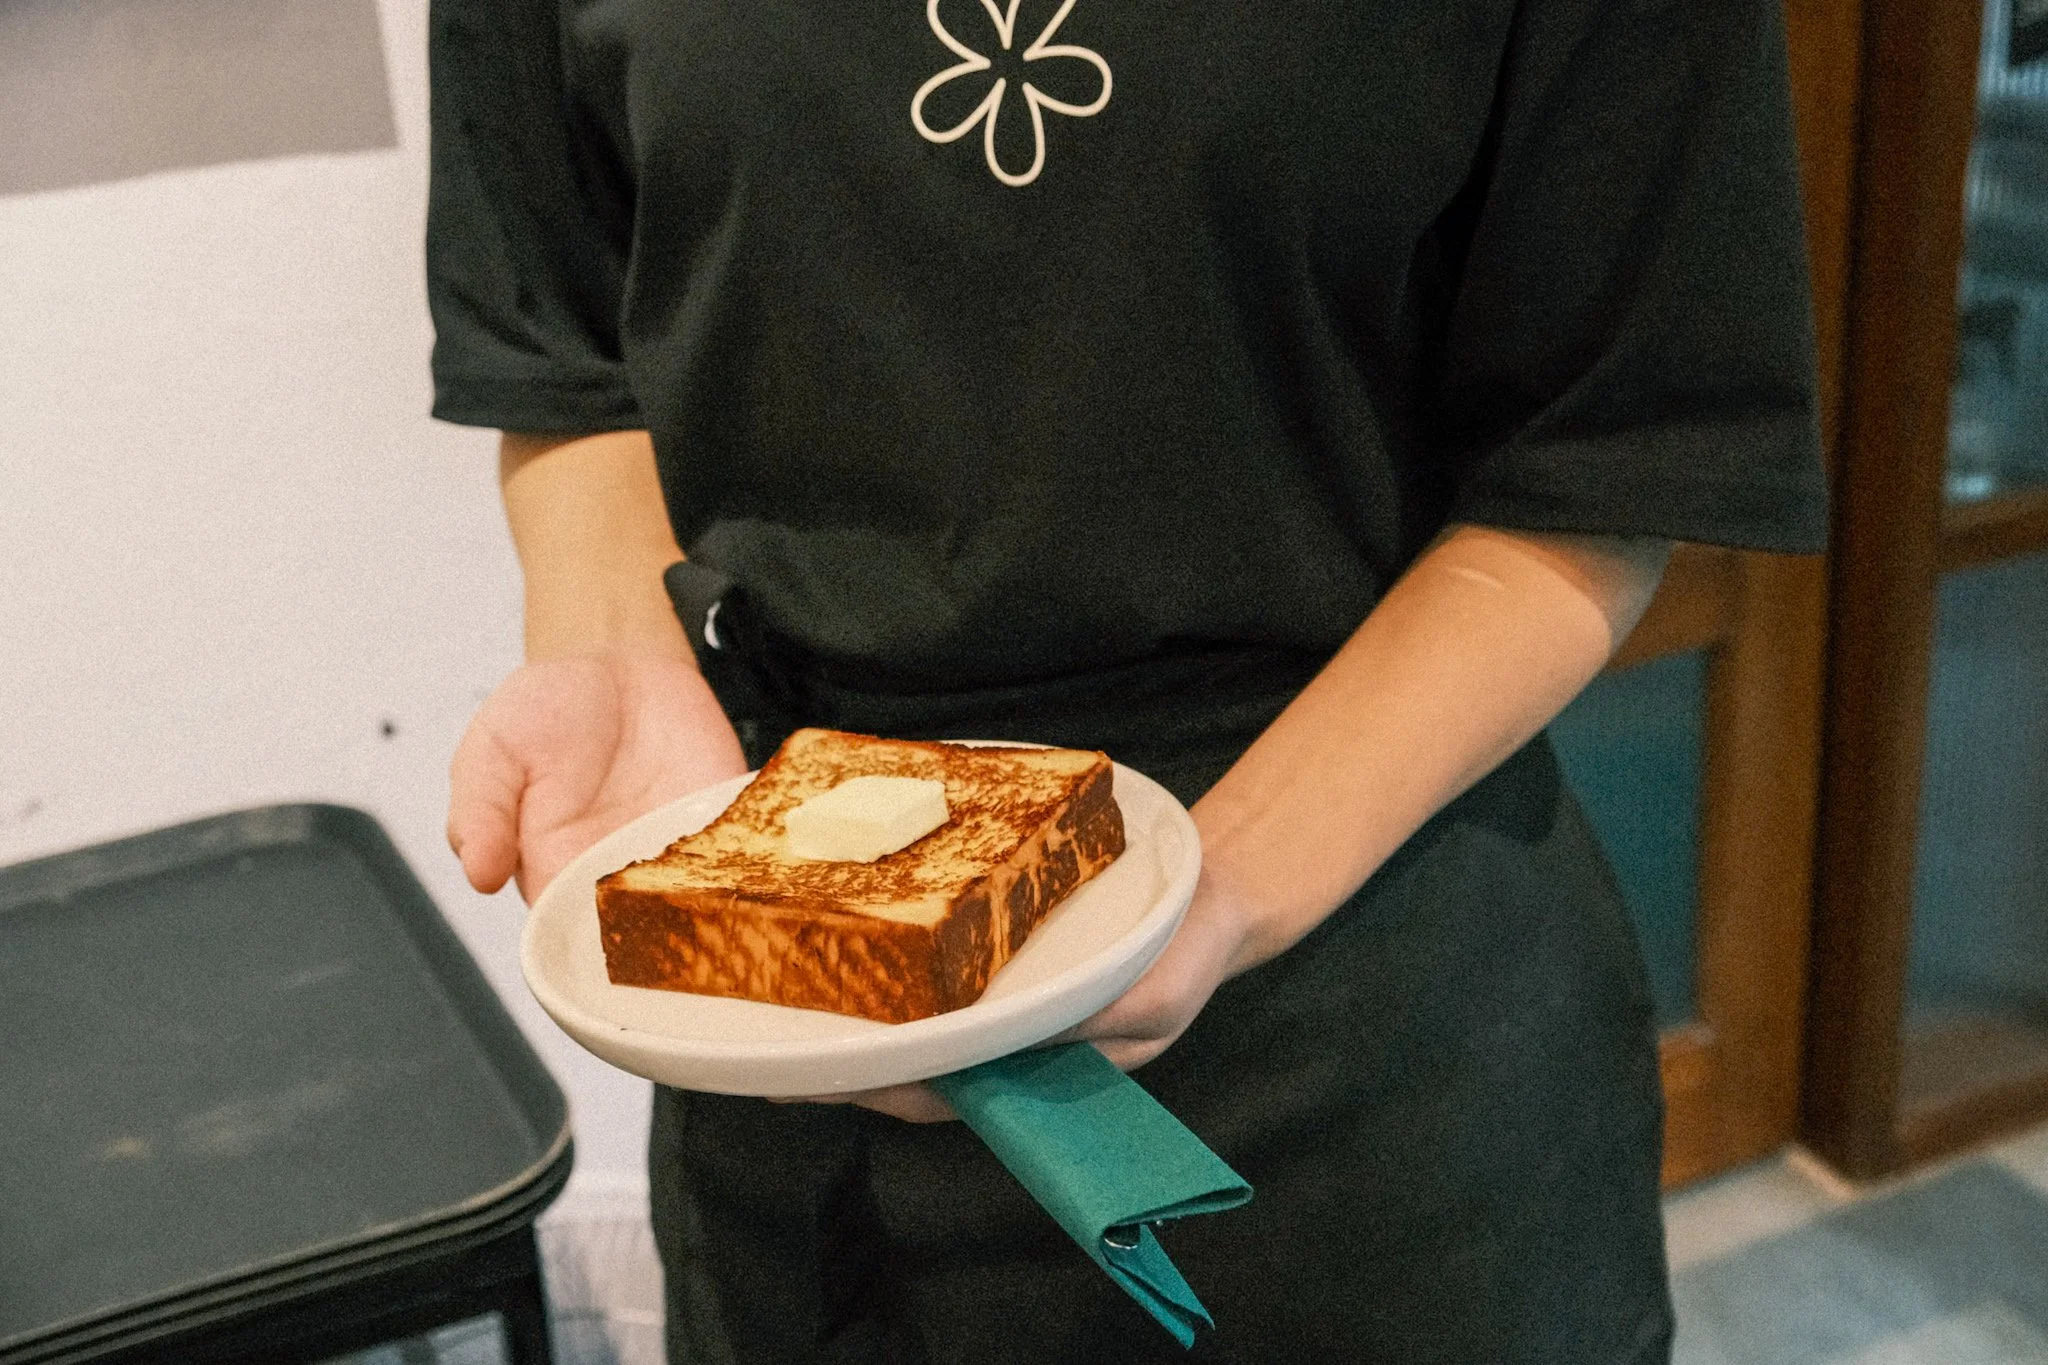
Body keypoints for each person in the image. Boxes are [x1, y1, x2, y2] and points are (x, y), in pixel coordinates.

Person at [428, 0, 1828, 1359]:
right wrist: (616, 653)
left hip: (1360, 983)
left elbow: (1592, 468)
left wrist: (1210, 883)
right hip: (804, 987)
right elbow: (566, 358)